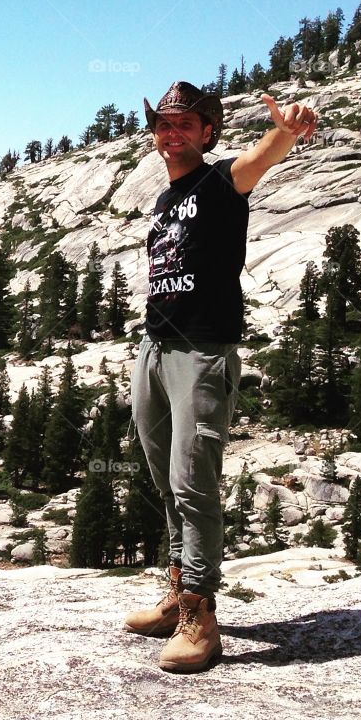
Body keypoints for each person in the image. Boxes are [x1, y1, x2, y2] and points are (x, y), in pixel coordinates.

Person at [122, 80, 318, 673]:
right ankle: (179, 588)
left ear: (208, 132)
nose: (171, 132)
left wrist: (286, 128)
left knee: (193, 481)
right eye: (163, 124)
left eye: (184, 124)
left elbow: (262, 158)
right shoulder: (164, 200)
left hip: (202, 355)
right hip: (154, 351)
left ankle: (201, 617)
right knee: (167, 480)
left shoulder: (219, 182)